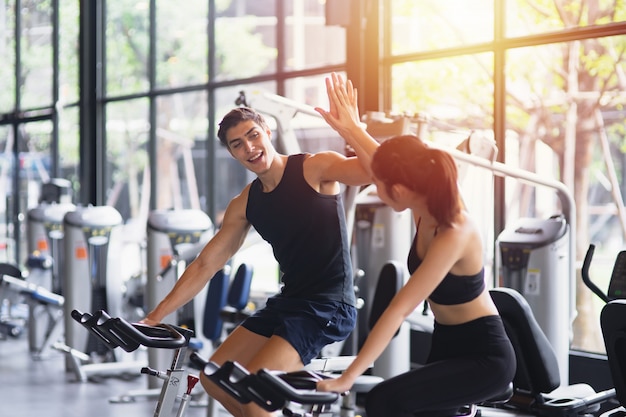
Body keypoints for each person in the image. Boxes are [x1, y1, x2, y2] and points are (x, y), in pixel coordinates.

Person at [142, 106, 370, 417]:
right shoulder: (245, 203)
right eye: (238, 144)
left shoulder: (314, 168)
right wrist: (154, 317)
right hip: (289, 302)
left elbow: (374, 171)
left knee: (254, 393)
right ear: (232, 153)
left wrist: (353, 130)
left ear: (267, 133)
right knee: (214, 377)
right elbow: (204, 265)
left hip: (328, 305)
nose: (249, 147)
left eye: (253, 135)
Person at [314, 73, 516, 417]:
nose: (375, 187)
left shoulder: (454, 230)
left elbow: (400, 308)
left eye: (381, 185)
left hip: (483, 357)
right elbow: (379, 160)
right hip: (447, 343)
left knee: (383, 401)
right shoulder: (420, 203)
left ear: (402, 189)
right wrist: (349, 127)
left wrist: (346, 378)